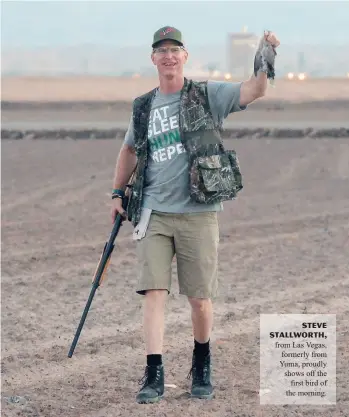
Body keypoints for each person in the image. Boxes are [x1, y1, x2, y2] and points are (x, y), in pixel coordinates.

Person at [110, 26, 280, 404]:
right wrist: (117, 193)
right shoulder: (143, 107)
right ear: (153, 59)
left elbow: (254, 90)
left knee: (200, 299)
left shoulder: (206, 94)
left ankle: (201, 363)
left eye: (174, 50)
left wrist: (265, 58)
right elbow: (129, 152)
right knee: (153, 292)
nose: (168, 56)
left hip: (198, 212)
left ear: (184, 56)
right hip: (152, 213)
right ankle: (153, 374)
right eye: (161, 51)